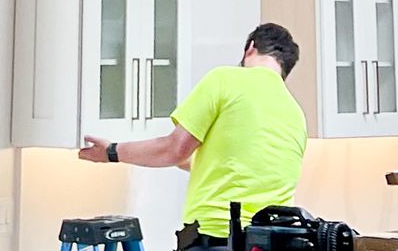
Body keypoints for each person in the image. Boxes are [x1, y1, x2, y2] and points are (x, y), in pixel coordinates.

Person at [77, 21, 307, 249]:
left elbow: (173, 150)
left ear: (251, 48)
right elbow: (240, 166)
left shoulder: (226, 80)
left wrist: (111, 152)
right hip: (271, 242)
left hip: (217, 237)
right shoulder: (296, 113)